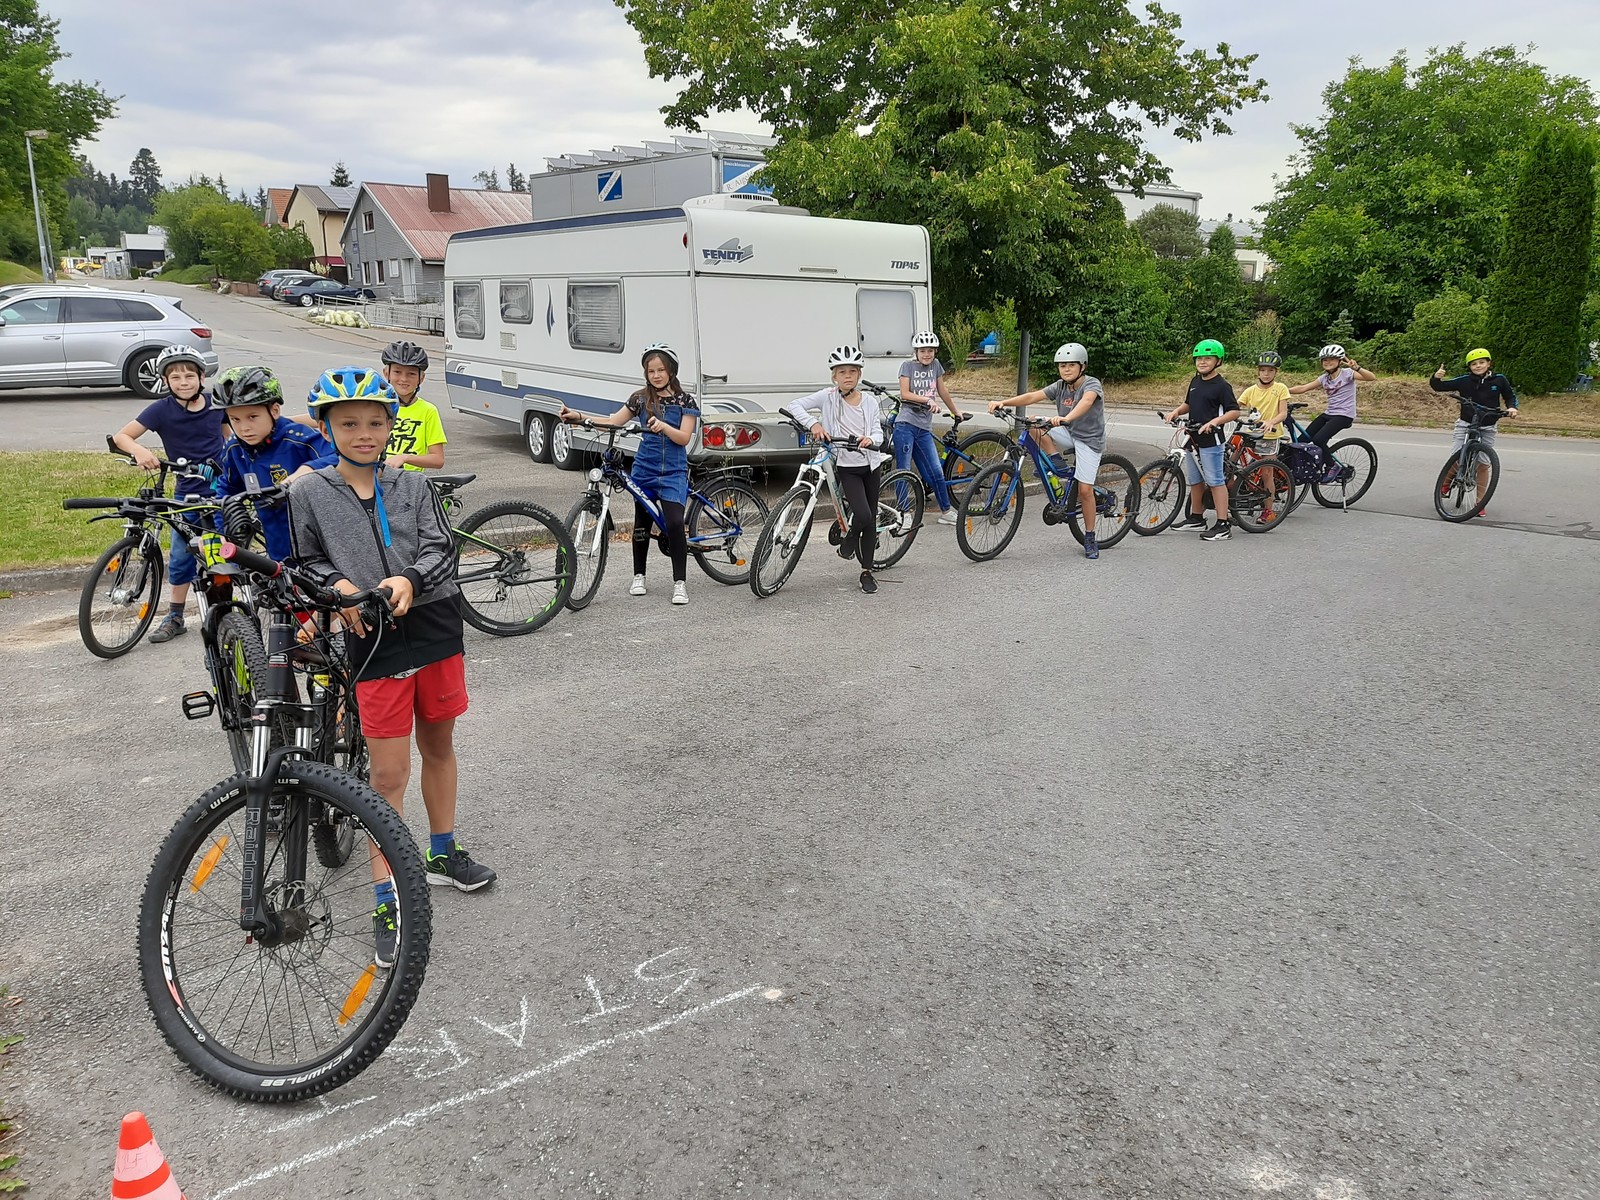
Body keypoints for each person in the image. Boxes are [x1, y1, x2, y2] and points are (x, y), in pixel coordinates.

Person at [290, 367, 495, 969]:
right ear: (326, 427)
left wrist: (410, 578)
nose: (364, 433)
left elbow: (440, 547)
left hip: (433, 623)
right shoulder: (310, 491)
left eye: (376, 422)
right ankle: (388, 896)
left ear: (391, 427)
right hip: (370, 634)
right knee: (386, 775)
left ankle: (442, 851)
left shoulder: (410, 485)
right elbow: (303, 561)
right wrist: (342, 588)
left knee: (439, 741)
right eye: (349, 423)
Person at [557, 343, 699, 606]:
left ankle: (679, 582)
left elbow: (684, 438)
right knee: (641, 524)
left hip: (673, 472)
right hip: (644, 469)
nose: (655, 375)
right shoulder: (640, 398)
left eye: (661, 370)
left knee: (676, 524)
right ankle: (639, 576)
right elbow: (613, 421)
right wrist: (576, 416)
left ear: (671, 371)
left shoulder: (685, 401)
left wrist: (664, 426)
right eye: (650, 371)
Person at [111, 345, 226, 644]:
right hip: (185, 493)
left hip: (218, 491)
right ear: (166, 381)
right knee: (179, 557)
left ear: (202, 377)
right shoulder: (162, 409)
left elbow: (233, 437)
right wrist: (139, 450)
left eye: (190, 375)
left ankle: (224, 612)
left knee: (220, 555)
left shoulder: (217, 405)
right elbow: (123, 436)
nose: (183, 381)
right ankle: (175, 616)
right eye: (175, 377)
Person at [987, 341, 1108, 559]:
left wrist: (1065, 418)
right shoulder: (1060, 386)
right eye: (1062, 366)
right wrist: (1003, 402)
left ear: (1083, 366)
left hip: (1089, 440)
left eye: (1071, 365)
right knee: (1032, 422)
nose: (1066, 369)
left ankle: (1090, 537)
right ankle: (1055, 461)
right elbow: (1033, 396)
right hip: (1069, 433)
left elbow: (1087, 402)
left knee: (1084, 491)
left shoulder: (1091, 384)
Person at [784, 345, 887, 593]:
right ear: (834, 376)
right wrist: (814, 423)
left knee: (868, 518)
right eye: (842, 372)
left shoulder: (870, 402)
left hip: (869, 465)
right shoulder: (827, 397)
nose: (848, 376)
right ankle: (850, 536)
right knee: (862, 514)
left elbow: (877, 432)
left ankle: (866, 570)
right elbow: (795, 405)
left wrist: (870, 440)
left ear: (859, 375)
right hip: (846, 467)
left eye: (853, 371)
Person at [210, 365, 336, 561]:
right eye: (235, 419)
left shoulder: (298, 438)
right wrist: (222, 532)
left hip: (319, 548)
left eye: (253, 417)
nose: (244, 428)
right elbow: (227, 491)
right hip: (276, 549)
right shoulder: (235, 448)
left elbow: (340, 457)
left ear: (274, 410)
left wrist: (304, 471)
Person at [1164, 339, 1243, 541]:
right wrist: (1176, 412)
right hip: (1192, 436)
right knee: (1195, 480)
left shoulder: (1222, 386)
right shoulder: (1195, 381)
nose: (1202, 362)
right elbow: (1188, 404)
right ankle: (1196, 517)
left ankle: (1223, 524)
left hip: (1211, 440)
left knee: (1215, 481)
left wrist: (1215, 421)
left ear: (1218, 361)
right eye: (1199, 358)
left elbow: (1234, 411)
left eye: (1208, 358)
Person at [1430, 348, 1518, 512]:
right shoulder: (1464, 381)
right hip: (1466, 422)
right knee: (1457, 456)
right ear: (1469, 367)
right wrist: (1436, 377)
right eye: (1474, 364)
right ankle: (1446, 484)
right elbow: (1439, 387)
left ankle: (1479, 503)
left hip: (1488, 425)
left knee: (1483, 464)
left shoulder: (1499, 380)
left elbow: (1510, 396)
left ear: (1488, 363)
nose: (1478, 366)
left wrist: (1512, 408)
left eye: (1481, 362)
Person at [894, 331, 966, 526]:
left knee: (936, 470)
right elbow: (905, 393)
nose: (927, 354)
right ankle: (903, 513)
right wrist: (927, 400)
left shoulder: (935, 366)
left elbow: (942, 390)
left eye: (931, 351)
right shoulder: (907, 366)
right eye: (923, 350)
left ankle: (946, 511)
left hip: (923, 428)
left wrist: (955, 411)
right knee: (904, 470)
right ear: (916, 351)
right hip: (905, 425)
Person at [1288, 344, 1376, 479]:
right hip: (1329, 413)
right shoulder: (1324, 378)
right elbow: (1304, 388)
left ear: (1340, 361)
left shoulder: (1347, 374)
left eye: (1331, 359)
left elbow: (1371, 377)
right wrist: (1282, 390)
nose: (1327, 362)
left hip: (1344, 415)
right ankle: (1303, 468)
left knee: (1319, 439)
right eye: (1324, 360)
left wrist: (1357, 368)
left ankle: (1332, 465)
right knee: (1302, 440)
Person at [380, 340, 447, 471]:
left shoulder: (428, 411)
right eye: (397, 372)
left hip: (411, 483)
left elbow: (438, 459)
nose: (404, 379)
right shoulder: (376, 406)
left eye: (411, 374)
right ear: (386, 374)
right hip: (376, 478)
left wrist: (404, 458)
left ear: (421, 379)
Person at [1236, 351, 1290, 456]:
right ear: (1258, 372)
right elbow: (1234, 406)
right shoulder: (1250, 390)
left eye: (1271, 370)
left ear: (1276, 372)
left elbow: (1283, 414)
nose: (1266, 374)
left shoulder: (1281, 388)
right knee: (1236, 457)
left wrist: (1271, 422)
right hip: (1252, 433)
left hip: (1271, 434)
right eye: (1263, 370)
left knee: (1267, 468)